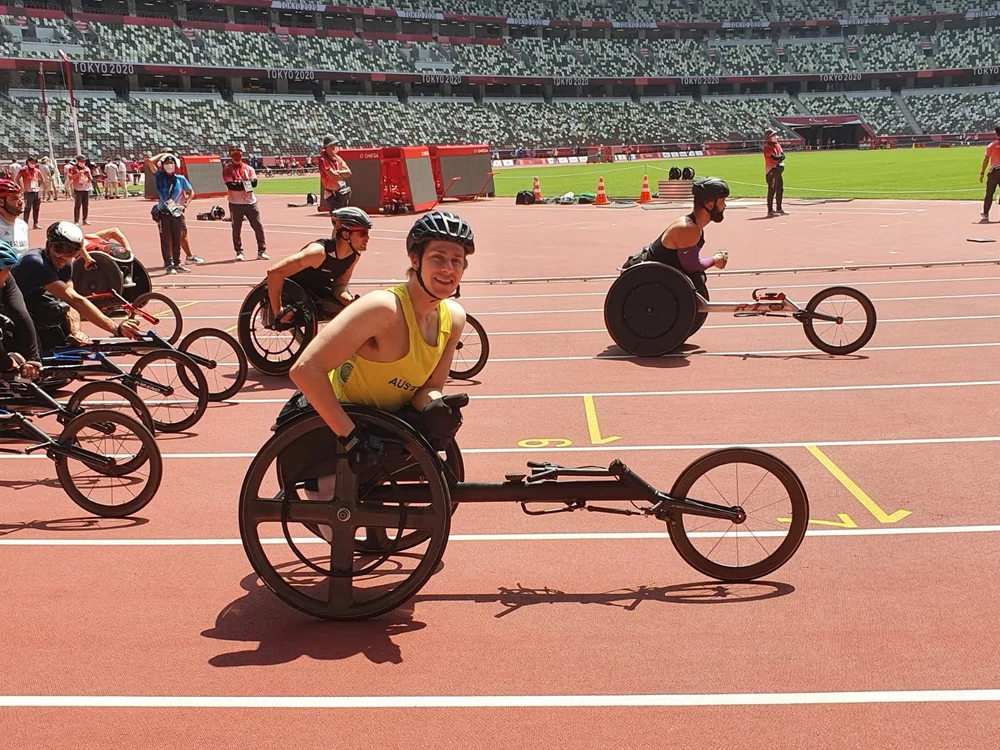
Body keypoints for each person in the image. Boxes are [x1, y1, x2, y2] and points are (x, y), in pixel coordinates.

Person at [278, 210, 474, 472]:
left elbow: (426, 390)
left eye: (456, 261)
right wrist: (351, 437)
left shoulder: (453, 319)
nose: (448, 269)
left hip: (382, 432)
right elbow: (304, 369)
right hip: (327, 431)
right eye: (437, 257)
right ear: (415, 260)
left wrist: (437, 407)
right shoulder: (383, 309)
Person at [11, 221, 140, 353]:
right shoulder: (35, 262)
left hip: (32, 305)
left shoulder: (66, 264)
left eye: (71, 252)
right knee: (51, 309)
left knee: (58, 311)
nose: (63, 256)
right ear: (48, 245)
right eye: (59, 249)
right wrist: (116, 328)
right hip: (9, 312)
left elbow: (72, 303)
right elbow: (75, 299)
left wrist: (76, 332)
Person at [622, 176, 730, 299]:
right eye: (722, 201)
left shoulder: (695, 226)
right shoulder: (687, 228)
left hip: (654, 275)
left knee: (697, 278)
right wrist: (715, 260)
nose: (725, 206)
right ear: (710, 205)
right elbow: (692, 266)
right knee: (697, 278)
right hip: (638, 279)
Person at [264, 206, 372, 327]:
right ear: (346, 234)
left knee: (348, 311)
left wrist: (350, 301)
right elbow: (274, 272)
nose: (368, 238)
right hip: (284, 294)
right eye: (363, 233)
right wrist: (278, 312)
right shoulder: (317, 253)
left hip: (314, 292)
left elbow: (340, 285)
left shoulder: (354, 255)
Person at [146, 152, 194, 275]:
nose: (169, 165)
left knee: (177, 238)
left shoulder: (180, 179)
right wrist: (164, 154)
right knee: (165, 239)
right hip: (163, 213)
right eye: (166, 163)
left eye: (171, 162)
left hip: (176, 213)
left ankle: (177, 263)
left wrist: (185, 204)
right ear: (162, 165)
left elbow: (191, 191)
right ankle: (168, 264)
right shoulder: (159, 176)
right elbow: (150, 161)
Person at [0, 243, 41, 380]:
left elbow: (21, 314)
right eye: (6, 269)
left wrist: (33, 358)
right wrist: (7, 362)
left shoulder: (7, 279)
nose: (8, 274)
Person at [222, 145, 268, 261]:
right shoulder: (227, 169)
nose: (237, 156)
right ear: (230, 155)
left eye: (239, 153)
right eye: (234, 154)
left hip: (250, 202)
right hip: (235, 203)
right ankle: (239, 251)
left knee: (258, 226)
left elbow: (254, 184)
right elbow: (230, 186)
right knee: (236, 228)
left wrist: (239, 184)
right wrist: (243, 184)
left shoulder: (249, 169)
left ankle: (261, 251)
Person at [317, 135, 352, 213]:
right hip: (331, 193)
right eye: (331, 145)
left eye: (335, 145)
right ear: (326, 147)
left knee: (344, 214)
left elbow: (349, 172)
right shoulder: (323, 160)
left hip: (342, 191)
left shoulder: (337, 158)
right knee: (336, 215)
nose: (334, 147)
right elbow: (334, 177)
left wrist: (337, 172)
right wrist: (340, 174)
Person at [0, 179, 29, 255]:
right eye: (14, 199)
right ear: (1, 202)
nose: (21, 202)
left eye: (20, 197)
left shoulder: (22, 225)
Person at [763, 128, 787, 217]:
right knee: (772, 190)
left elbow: (783, 155)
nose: (775, 137)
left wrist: (780, 157)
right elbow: (774, 158)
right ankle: (770, 210)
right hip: (772, 170)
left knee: (780, 189)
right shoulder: (767, 147)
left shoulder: (777, 145)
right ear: (769, 137)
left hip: (778, 170)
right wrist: (779, 157)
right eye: (773, 135)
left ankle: (779, 208)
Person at [979, 125, 1000, 223]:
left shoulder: (991, 145)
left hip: (994, 172)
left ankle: (986, 214)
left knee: (989, 193)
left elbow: (986, 159)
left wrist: (982, 173)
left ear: (996, 134)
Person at [16, 157, 42, 229]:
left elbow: (42, 179)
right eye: (31, 162)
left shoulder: (36, 170)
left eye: (34, 163)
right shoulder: (24, 170)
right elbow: (17, 178)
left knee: (36, 208)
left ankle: (35, 223)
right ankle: (25, 223)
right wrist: (22, 187)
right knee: (27, 208)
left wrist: (39, 187)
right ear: (28, 162)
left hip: (36, 191)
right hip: (28, 192)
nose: (33, 164)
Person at [67, 155, 93, 225]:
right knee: (77, 205)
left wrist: (88, 176)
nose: (82, 163)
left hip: (86, 189)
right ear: (77, 161)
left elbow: (91, 179)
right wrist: (78, 173)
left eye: (84, 161)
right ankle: (76, 220)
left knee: (86, 205)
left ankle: (85, 219)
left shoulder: (87, 168)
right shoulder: (72, 168)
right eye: (81, 161)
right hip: (78, 189)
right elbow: (71, 177)